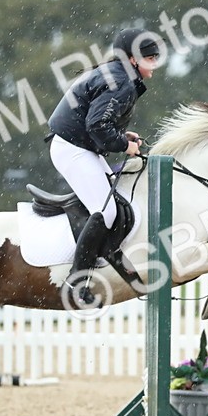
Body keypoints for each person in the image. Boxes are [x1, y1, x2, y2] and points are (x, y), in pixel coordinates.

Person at [46, 28, 161, 303]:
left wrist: (123, 137)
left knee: (119, 206)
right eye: (150, 57)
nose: (155, 62)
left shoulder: (119, 75)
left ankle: (119, 269)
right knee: (107, 212)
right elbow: (97, 124)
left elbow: (99, 122)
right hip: (72, 148)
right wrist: (124, 146)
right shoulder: (121, 82)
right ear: (133, 59)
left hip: (79, 145)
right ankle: (76, 279)